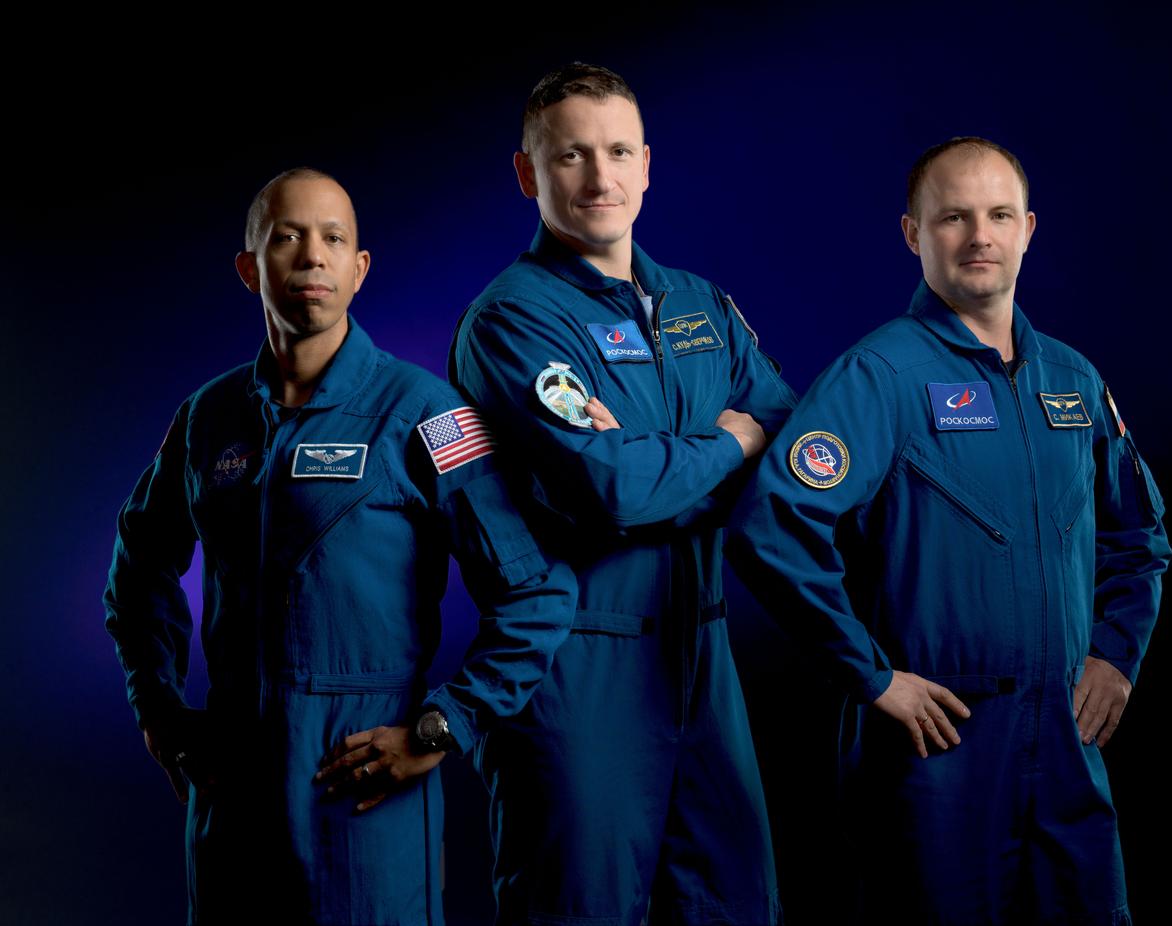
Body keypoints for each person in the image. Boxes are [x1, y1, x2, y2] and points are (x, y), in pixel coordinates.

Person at [103, 168, 576, 925]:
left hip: (361, 777)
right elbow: (139, 567)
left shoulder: (425, 413)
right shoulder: (210, 418)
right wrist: (158, 708)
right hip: (235, 783)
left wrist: (441, 725)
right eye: (287, 238)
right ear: (250, 268)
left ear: (359, 269)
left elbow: (535, 591)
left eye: (333, 239)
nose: (311, 257)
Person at [727, 137, 1172, 925]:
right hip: (940, 754)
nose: (980, 236)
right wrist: (870, 676)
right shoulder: (879, 378)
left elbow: (1140, 538)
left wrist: (1115, 654)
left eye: (1000, 215)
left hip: (1066, 749)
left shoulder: (1072, 380)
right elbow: (772, 527)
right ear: (914, 233)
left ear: (1029, 229)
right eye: (955, 217)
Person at [448, 64, 797, 925]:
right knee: (579, 905)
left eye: (616, 152)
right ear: (529, 174)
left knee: (736, 903)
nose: (599, 178)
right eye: (570, 155)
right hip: (579, 666)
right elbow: (614, 491)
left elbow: (783, 427)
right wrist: (727, 437)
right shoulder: (513, 320)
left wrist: (665, 459)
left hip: (703, 659)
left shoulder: (698, 303)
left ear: (647, 164)